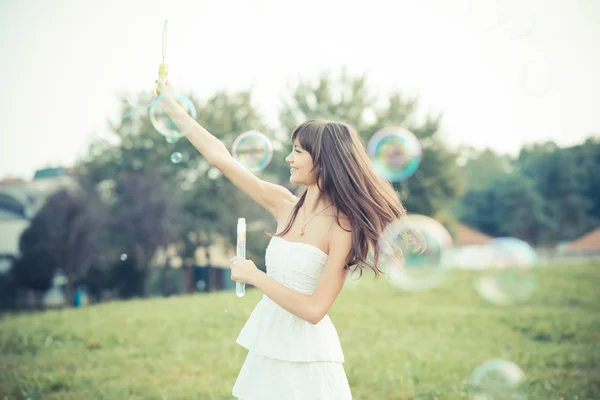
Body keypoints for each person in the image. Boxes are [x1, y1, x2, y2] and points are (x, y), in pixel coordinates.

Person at [155, 79, 408, 399]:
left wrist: (255, 277)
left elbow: (315, 309)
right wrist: (172, 107)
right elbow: (220, 158)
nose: (290, 158)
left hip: (307, 362)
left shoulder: (342, 228)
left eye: (298, 151)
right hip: (270, 347)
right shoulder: (283, 204)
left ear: (324, 160)